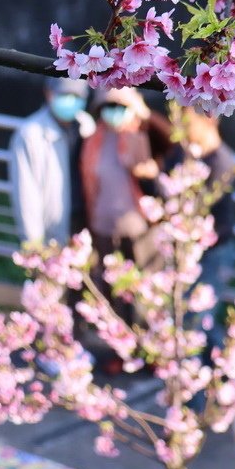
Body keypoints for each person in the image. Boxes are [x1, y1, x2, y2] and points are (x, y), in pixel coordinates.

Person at [80, 87, 170, 330]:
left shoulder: (142, 134)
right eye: (109, 107)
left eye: (120, 107)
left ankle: (150, 344)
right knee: (113, 289)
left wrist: (143, 112)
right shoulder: (92, 140)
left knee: (147, 289)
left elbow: (170, 139)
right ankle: (120, 344)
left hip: (140, 229)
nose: (114, 112)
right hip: (104, 227)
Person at [163, 107, 235, 347]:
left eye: (188, 122)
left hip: (214, 253)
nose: (182, 128)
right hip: (189, 249)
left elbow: (198, 207)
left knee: (197, 320)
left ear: (209, 119)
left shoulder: (221, 162)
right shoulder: (183, 153)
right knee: (190, 317)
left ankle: (207, 374)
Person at [9, 77, 94, 245]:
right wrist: (33, 241)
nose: (71, 100)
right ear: (48, 93)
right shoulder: (30, 134)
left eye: (76, 96)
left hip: (84, 224)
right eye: (64, 94)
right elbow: (25, 193)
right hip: (52, 232)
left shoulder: (87, 125)